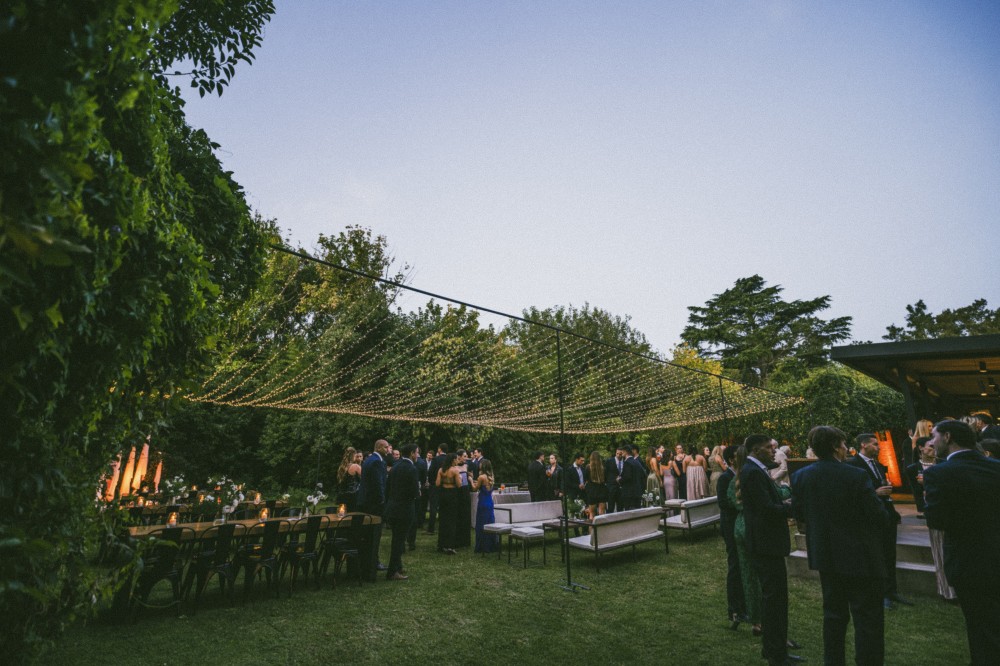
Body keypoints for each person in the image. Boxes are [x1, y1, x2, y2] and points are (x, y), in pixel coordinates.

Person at [791, 426, 887, 666]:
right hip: (860, 555)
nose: (846, 449)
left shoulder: (801, 476)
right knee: (867, 617)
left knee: (833, 615)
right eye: (844, 444)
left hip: (826, 555)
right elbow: (877, 515)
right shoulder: (856, 475)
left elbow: (800, 513)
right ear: (836, 446)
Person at [924, 419, 1000, 665]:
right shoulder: (996, 466)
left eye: (934, 436)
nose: (931, 442)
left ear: (947, 437)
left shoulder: (938, 473)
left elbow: (936, 520)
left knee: (980, 626)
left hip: (968, 560)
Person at [740, 434, 802, 666]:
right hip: (765, 544)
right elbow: (765, 509)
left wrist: (783, 504)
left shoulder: (756, 470)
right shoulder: (753, 472)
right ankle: (776, 654)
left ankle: (775, 648)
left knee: (776, 598)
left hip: (767, 543)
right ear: (756, 450)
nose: (774, 451)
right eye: (769, 448)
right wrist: (793, 507)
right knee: (774, 598)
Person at [849, 433, 910, 609]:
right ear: (863, 445)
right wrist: (875, 493)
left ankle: (892, 590)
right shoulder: (852, 465)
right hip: (870, 517)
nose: (879, 447)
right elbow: (853, 492)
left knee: (890, 553)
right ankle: (882, 593)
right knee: (878, 555)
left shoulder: (877, 464)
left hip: (886, 514)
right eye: (875, 444)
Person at [906, 437, 956, 600]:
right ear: (921, 448)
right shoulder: (913, 468)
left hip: (948, 511)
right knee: (939, 551)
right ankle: (946, 589)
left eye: (934, 446)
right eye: (930, 446)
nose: (933, 449)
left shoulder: (943, 464)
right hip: (932, 512)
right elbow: (916, 492)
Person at [717, 444, 745, 630]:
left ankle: (746, 604)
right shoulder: (725, 478)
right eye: (737, 455)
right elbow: (723, 503)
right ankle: (734, 608)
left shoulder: (743, 475)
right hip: (730, 525)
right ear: (731, 459)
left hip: (742, 525)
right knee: (735, 565)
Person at [385, 444, 419, 581]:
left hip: (393, 507)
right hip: (404, 509)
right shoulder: (411, 468)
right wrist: (418, 493)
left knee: (396, 538)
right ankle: (392, 571)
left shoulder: (395, 466)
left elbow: (388, 487)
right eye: (417, 453)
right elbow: (414, 492)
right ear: (411, 453)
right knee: (399, 542)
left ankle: (397, 566)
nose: (417, 455)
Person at [358, 439, 390, 578]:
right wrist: (382, 500)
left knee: (368, 535)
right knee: (374, 535)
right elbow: (378, 484)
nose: (388, 450)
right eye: (386, 447)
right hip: (374, 504)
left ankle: (370, 562)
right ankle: (372, 564)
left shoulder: (369, 460)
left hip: (366, 502)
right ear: (379, 448)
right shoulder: (377, 462)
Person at [471, 459, 498, 553]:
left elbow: (475, 489)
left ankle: (482, 546)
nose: (479, 464)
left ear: (483, 466)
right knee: (490, 523)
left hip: (482, 502)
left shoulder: (481, 477)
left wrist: (471, 480)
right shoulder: (491, 476)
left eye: (481, 464)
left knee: (481, 524)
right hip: (490, 502)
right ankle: (491, 545)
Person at [435, 453, 460, 555]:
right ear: (453, 460)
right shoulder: (455, 470)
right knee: (451, 520)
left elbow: (437, 483)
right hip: (452, 494)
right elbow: (459, 484)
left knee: (443, 519)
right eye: (456, 459)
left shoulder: (441, 470)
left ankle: (441, 544)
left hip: (443, 493)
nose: (457, 461)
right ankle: (450, 546)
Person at [425, 444, 448, 534]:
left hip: (435, 486)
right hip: (446, 486)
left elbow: (430, 471)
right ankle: (443, 527)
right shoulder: (448, 459)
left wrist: (432, 482)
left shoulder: (436, 459)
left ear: (439, 449)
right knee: (444, 507)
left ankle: (431, 528)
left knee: (433, 507)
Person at [584, 451, 609, 521]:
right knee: (602, 512)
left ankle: (592, 528)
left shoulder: (588, 467)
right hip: (602, 489)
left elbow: (586, 479)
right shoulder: (603, 468)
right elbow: (606, 480)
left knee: (592, 513)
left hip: (592, 490)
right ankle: (602, 527)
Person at [336, 447, 362, 512]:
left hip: (342, 495)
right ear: (353, 456)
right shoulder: (355, 466)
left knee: (343, 515)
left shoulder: (341, 467)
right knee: (354, 514)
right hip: (353, 495)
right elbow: (365, 477)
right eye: (355, 456)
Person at [620, 445, 644, 510]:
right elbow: (643, 474)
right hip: (638, 492)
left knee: (629, 512)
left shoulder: (627, 462)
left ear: (625, 452)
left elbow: (627, 477)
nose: (621, 453)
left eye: (622, 452)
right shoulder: (637, 462)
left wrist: (619, 480)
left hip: (629, 493)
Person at [604, 446, 625, 512]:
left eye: (620, 454)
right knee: (610, 508)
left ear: (623, 454)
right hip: (611, 488)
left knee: (620, 508)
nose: (618, 455)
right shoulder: (609, 461)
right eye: (617, 453)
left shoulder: (625, 462)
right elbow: (605, 474)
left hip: (621, 489)